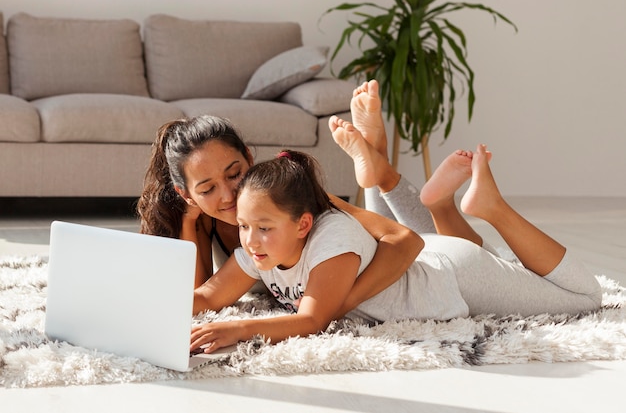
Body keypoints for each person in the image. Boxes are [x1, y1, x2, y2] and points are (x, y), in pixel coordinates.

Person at [190, 141, 602, 354]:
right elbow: (208, 296)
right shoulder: (260, 247)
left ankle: (493, 209)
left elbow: (311, 319)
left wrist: (240, 327)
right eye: (244, 226)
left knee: (585, 297)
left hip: (454, 280)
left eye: (262, 227)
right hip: (433, 257)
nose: (249, 239)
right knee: (498, 259)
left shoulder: (332, 241)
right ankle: (439, 204)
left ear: (303, 224)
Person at [136, 115, 423, 315]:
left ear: (250, 157)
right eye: (208, 188)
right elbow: (200, 298)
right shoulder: (201, 220)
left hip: (423, 271)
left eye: (235, 174)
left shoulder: (287, 199)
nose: (228, 195)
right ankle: (375, 161)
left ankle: (379, 171)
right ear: (187, 194)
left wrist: (343, 301)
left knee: (444, 238)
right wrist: (188, 218)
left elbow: (404, 239)